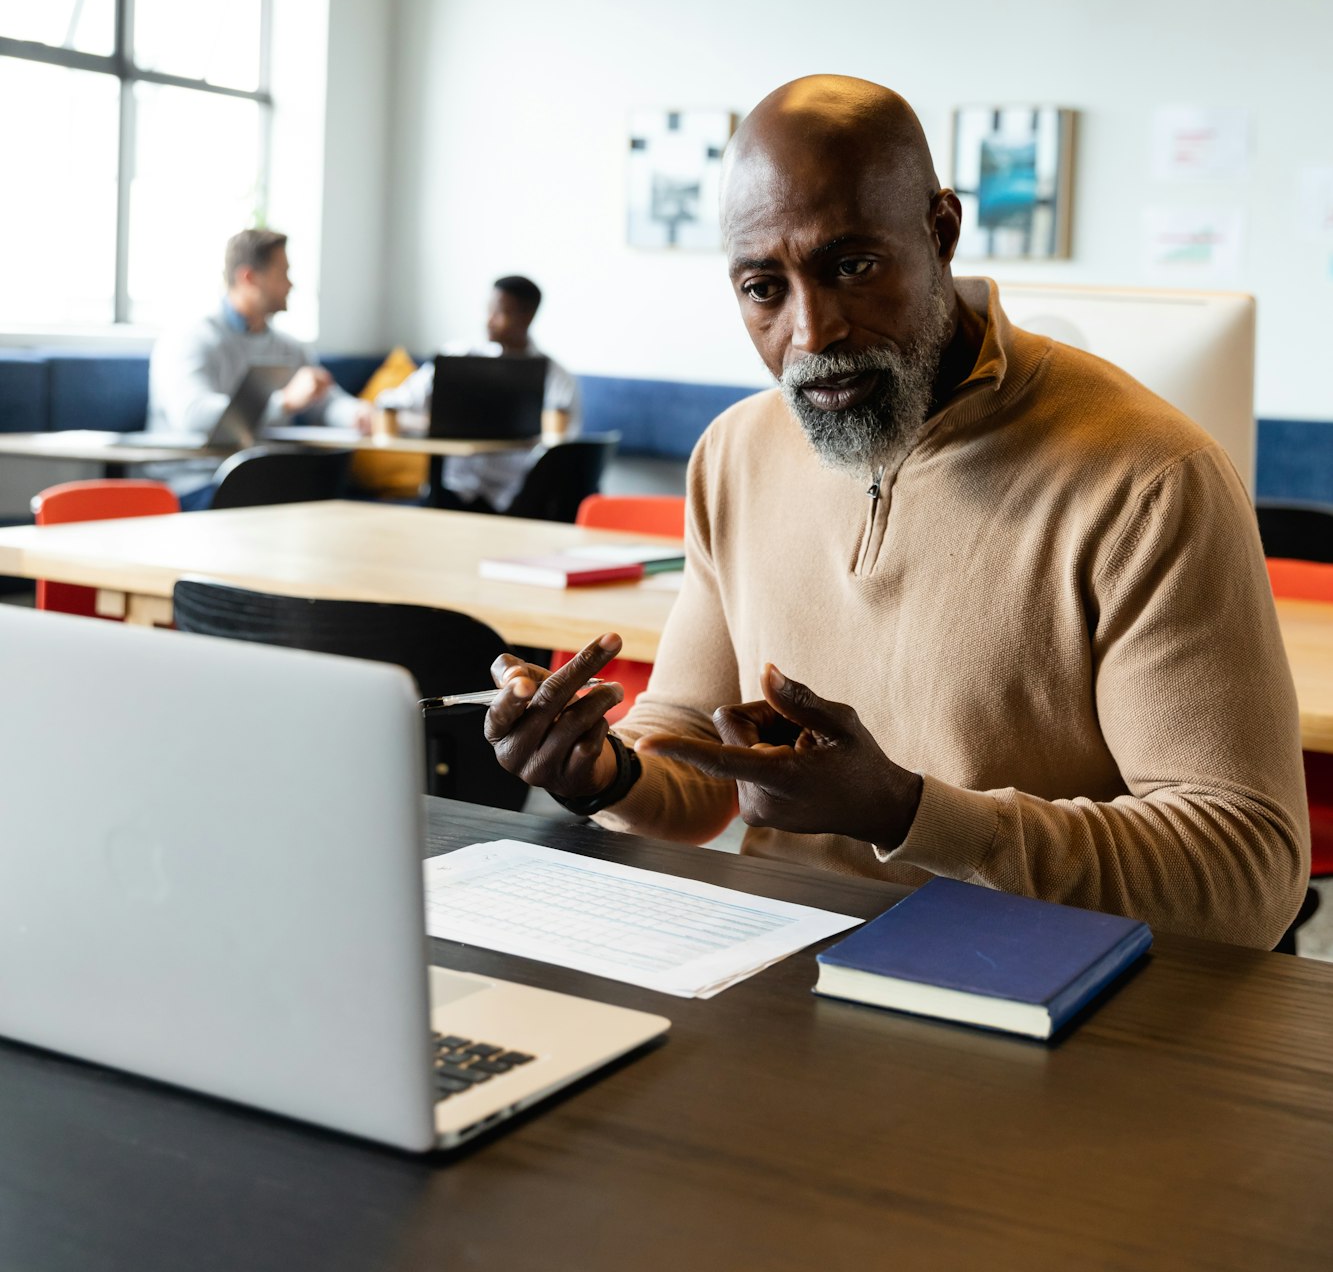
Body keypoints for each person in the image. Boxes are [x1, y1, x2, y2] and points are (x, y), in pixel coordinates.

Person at [478, 75, 1309, 948]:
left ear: (941, 232)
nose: (811, 332)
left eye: (851, 267)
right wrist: (598, 770)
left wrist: (910, 812)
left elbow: (1246, 873)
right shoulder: (733, 452)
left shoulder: (1148, 478)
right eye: (764, 288)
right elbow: (689, 759)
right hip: (780, 971)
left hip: (1036, 993)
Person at [147, 228, 371, 508]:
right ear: (249, 278)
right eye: (283, 274)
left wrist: (359, 414)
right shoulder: (191, 338)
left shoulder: (289, 348)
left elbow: (326, 401)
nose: (291, 285)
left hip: (263, 481)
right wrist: (284, 403)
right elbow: (195, 415)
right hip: (197, 483)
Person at [377, 275, 580, 512]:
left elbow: (561, 448)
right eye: (488, 310)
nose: (489, 321)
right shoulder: (458, 358)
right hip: (453, 491)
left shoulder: (556, 378)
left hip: (518, 498)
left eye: (500, 312)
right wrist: (430, 424)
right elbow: (392, 403)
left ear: (527, 317)